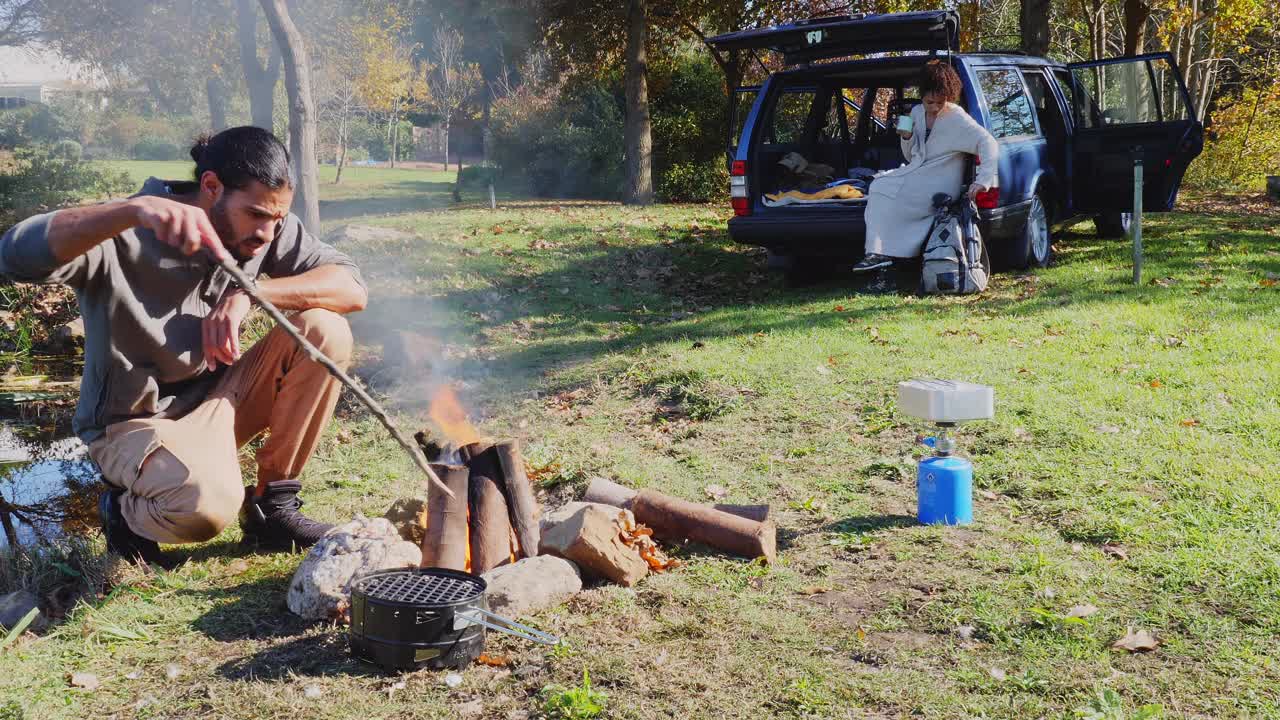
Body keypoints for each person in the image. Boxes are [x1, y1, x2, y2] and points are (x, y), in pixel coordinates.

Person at [0, 126, 368, 564]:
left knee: (325, 329)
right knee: (205, 509)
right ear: (211, 186)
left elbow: (351, 289)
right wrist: (128, 212)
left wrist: (251, 294)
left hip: (218, 403)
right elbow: (13, 255)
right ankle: (124, 511)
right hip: (130, 427)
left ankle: (274, 508)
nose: (268, 234)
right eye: (256, 215)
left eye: (278, 219)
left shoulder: (264, 227)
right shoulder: (121, 235)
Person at [852, 60, 1000, 273]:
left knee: (886, 190)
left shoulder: (957, 116)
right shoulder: (914, 113)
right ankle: (877, 252)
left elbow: (988, 143)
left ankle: (883, 251)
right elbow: (909, 155)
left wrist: (983, 180)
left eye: (941, 102)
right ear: (922, 96)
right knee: (878, 186)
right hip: (918, 172)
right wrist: (907, 136)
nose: (936, 107)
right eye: (930, 102)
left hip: (943, 180)